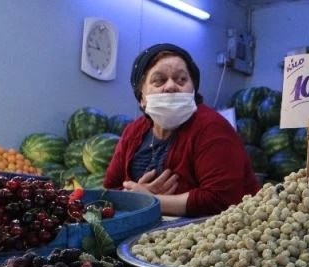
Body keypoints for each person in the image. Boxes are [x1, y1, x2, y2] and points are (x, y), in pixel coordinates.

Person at [104, 43, 260, 216]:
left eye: (181, 79)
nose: (171, 86)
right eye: (159, 80)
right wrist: (136, 195)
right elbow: (110, 189)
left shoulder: (212, 128)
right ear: (141, 97)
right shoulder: (133, 132)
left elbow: (222, 199)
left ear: (193, 89)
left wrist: (149, 201)